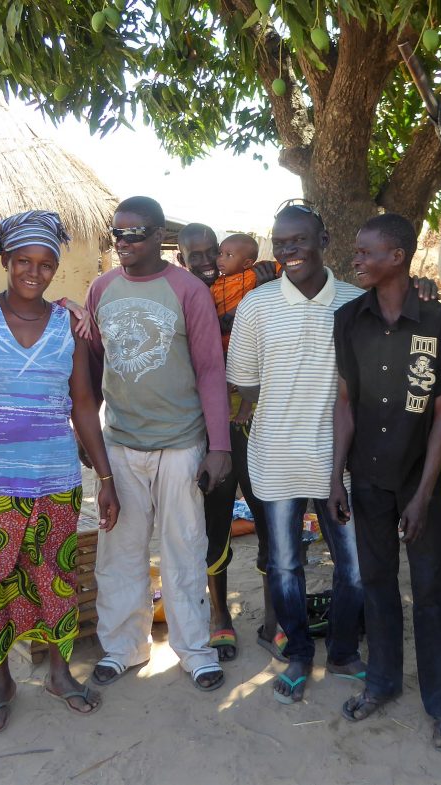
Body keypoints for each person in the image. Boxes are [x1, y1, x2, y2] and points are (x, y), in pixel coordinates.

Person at [0, 211, 119, 732]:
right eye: (23, 261)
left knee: (55, 579)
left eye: (46, 264)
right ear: (5, 261)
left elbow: (84, 403)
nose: (34, 272)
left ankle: (59, 672)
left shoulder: (69, 323)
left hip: (55, 478)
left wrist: (106, 478)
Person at [86, 197, 232, 692]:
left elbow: (212, 370)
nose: (124, 243)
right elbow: (88, 364)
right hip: (122, 442)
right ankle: (123, 647)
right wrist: (87, 435)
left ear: (157, 237)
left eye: (135, 233)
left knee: (184, 548)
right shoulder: (101, 289)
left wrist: (218, 446)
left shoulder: (187, 290)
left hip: (180, 442)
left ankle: (194, 650)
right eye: (117, 234)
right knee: (120, 551)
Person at [329, 214, 441, 752]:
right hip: (367, 477)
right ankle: (381, 681)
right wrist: (336, 475)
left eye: (365, 252)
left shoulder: (438, 322)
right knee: (378, 584)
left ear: (398, 257)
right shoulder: (348, 319)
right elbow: (345, 401)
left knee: (430, 590)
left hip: (420, 480)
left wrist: (425, 494)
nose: (356, 260)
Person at [226, 200, 367, 704]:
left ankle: (346, 652)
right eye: (280, 242)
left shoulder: (355, 303)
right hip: (276, 456)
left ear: (323, 240)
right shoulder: (257, 306)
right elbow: (243, 382)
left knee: (352, 568)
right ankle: (300, 653)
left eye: (299, 240)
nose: (288, 250)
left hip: (339, 463)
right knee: (285, 566)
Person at [175, 224, 284, 664]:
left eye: (215, 254)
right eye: (198, 256)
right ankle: (220, 615)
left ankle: (275, 617)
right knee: (216, 518)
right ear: (181, 259)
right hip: (208, 425)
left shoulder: (258, 283)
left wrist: (264, 272)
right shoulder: (179, 294)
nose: (208, 262)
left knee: (269, 514)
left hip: (256, 420)